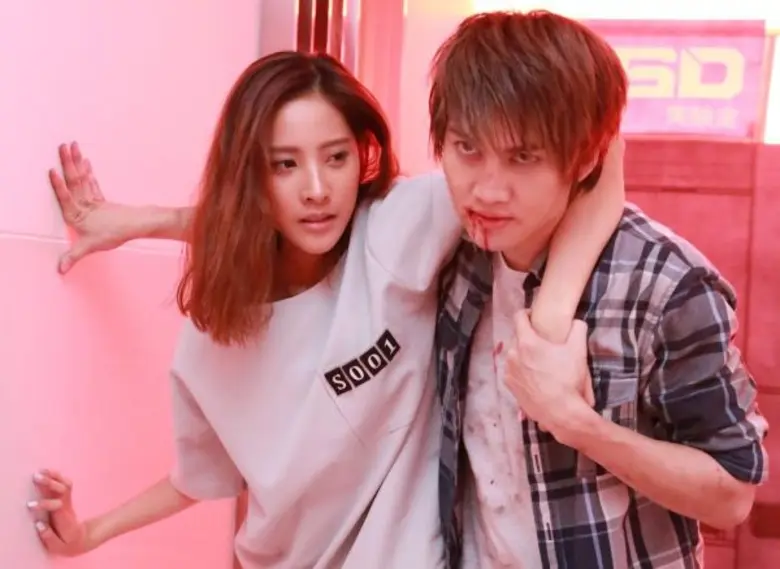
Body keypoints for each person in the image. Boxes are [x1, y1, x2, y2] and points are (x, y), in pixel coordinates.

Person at [29, 48, 625, 568]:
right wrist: (91, 533)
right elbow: (196, 479)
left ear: (363, 155)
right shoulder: (210, 343)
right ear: (251, 175)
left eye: (336, 157)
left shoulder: (392, 233)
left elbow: (602, 155)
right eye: (285, 164)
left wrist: (550, 322)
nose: (316, 189)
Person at [430, 11, 769, 569]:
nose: (487, 190)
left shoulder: (666, 285)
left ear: (587, 156)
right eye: (467, 148)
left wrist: (578, 426)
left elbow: (732, 493)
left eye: (523, 157)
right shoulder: (453, 256)